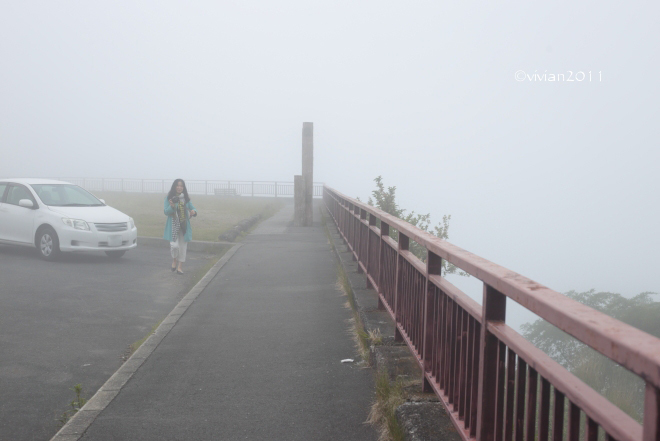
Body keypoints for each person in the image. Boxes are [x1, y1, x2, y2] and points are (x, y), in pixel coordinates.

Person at [163, 179, 197, 274]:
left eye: (181, 186)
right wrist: (172, 206)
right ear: (174, 187)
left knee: (182, 247)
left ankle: (180, 267)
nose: (179, 187)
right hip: (173, 225)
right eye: (177, 185)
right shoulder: (169, 198)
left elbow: (193, 208)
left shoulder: (185, 198)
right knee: (174, 246)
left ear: (183, 187)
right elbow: (166, 212)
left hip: (184, 225)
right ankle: (174, 260)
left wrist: (194, 211)